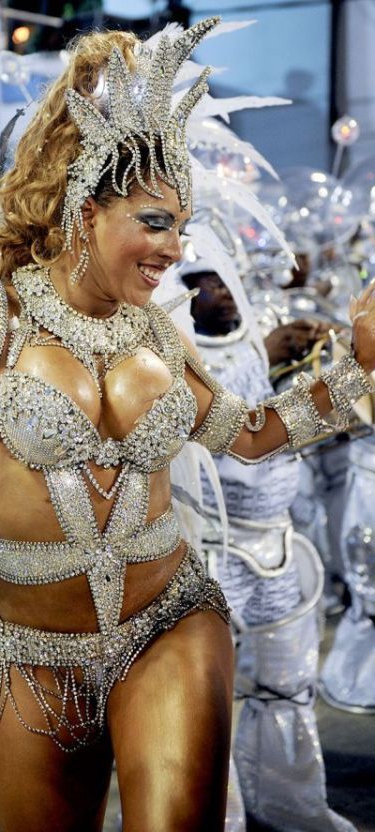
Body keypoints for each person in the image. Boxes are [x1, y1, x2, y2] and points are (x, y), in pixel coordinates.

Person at [0, 17, 375, 832]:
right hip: (32, 656)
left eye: (183, 223)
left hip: (172, 620)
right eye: (157, 221)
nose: (176, 248)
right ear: (88, 209)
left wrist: (358, 374)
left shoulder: (159, 332)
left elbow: (249, 433)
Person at [181, 263, 356, 831]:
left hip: (277, 542)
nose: (227, 291)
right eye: (210, 282)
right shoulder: (169, 352)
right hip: (212, 549)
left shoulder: (259, 340)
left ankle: (290, 803)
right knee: (206, 706)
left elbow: (277, 427)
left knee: (288, 684)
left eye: (230, 277)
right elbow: (246, 435)